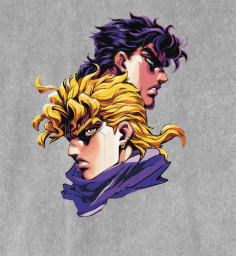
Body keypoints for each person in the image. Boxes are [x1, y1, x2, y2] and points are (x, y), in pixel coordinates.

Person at [32, 68, 185, 216]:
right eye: (70, 139)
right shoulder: (82, 195)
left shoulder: (150, 192)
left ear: (123, 133)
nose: (71, 151)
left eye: (88, 133)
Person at [75, 13, 188, 110]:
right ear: (122, 61)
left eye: (162, 67)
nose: (164, 78)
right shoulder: (84, 117)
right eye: (151, 63)